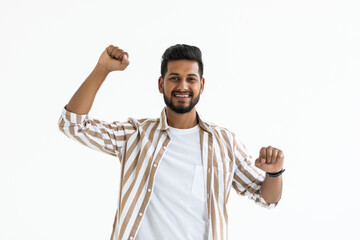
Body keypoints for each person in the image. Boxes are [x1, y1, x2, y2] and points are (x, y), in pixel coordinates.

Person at [57, 44, 285, 240]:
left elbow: (266, 198)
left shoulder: (224, 143)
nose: (182, 86)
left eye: (190, 79)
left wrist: (274, 174)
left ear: (201, 86)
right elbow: (72, 125)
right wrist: (102, 69)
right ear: (161, 84)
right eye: (174, 78)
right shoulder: (135, 136)